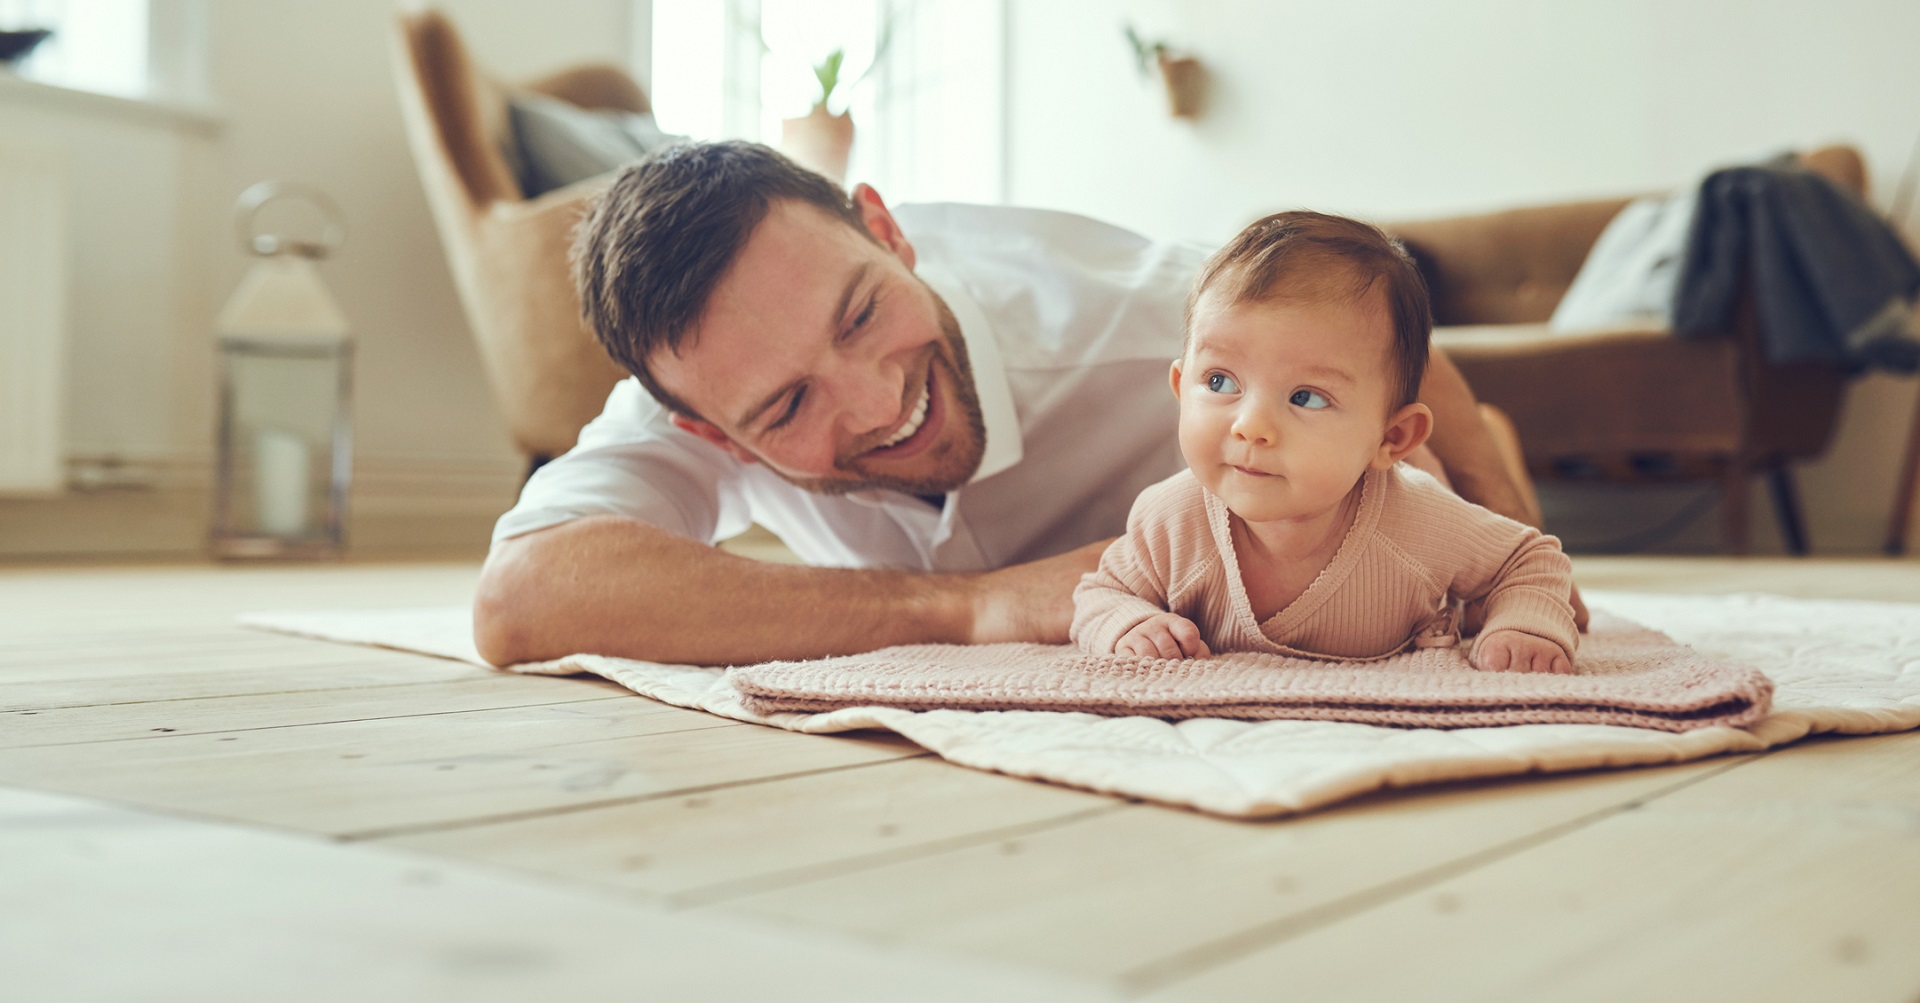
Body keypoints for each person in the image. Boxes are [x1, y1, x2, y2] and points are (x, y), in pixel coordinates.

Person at [473, 141, 1559, 667]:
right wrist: (959, 606)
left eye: (862, 314)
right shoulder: (696, 389)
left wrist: (1509, 511)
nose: (880, 398)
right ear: (711, 432)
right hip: (1153, 575)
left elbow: (1387, 347)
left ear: (888, 231)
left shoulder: (1133, 315)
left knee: (1407, 496)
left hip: (1308, 485)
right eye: (791, 404)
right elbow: (521, 598)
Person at [1071, 211, 1578, 672]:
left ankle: (1488, 435)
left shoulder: (1423, 521)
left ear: (1392, 436)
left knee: (1469, 552)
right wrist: (1127, 623)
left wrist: (1524, 624)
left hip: (1416, 497)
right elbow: (1101, 593)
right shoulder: (1170, 519)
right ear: (1182, 389)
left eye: (1306, 397)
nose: (1250, 426)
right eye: (1221, 382)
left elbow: (1529, 560)